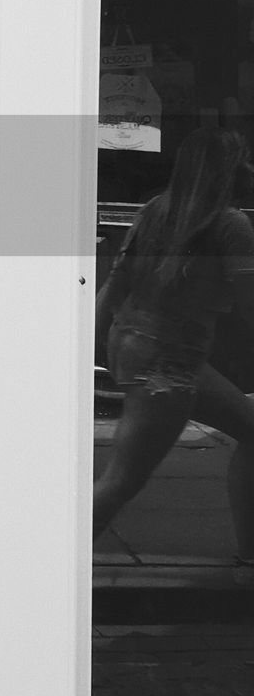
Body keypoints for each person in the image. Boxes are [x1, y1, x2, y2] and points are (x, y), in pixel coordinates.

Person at [92, 127, 254, 551]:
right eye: (242, 161)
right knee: (120, 480)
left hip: (137, 344)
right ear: (227, 170)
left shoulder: (155, 210)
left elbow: (116, 282)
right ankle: (46, 569)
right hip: (171, 364)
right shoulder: (232, 224)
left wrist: (96, 343)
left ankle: (249, 556)